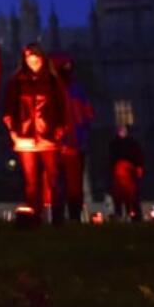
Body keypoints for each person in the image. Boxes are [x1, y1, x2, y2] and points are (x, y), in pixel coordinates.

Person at [3, 43, 68, 224]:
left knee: (54, 179)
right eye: (29, 58)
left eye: (35, 57)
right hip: (25, 137)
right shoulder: (17, 81)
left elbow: (63, 108)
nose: (32, 61)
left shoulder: (53, 82)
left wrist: (60, 129)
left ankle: (57, 219)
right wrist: (13, 131)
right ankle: (34, 217)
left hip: (48, 137)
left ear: (42, 58)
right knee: (31, 182)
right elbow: (9, 109)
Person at [53, 53, 94, 222]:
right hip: (65, 143)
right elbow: (87, 115)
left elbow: (86, 115)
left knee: (69, 183)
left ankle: (67, 216)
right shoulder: (72, 88)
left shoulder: (73, 89)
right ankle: (66, 216)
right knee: (65, 182)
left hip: (72, 143)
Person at [109, 126, 144, 221]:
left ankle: (133, 215)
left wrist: (138, 168)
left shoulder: (132, 144)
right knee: (119, 196)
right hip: (119, 173)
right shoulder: (115, 144)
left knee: (132, 195)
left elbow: (138, 156)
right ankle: (120, 214)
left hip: (129, 172)